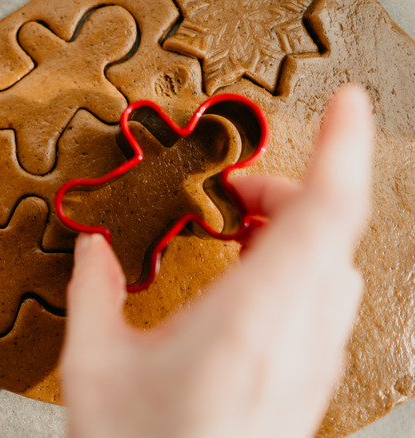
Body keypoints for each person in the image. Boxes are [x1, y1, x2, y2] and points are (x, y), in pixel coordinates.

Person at [60, 86, 374, 438]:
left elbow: (205, 211)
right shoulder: (168, 160)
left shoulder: (188, 187)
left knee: (119, 237)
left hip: (124, 229)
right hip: (114, 203)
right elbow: (141, 130)